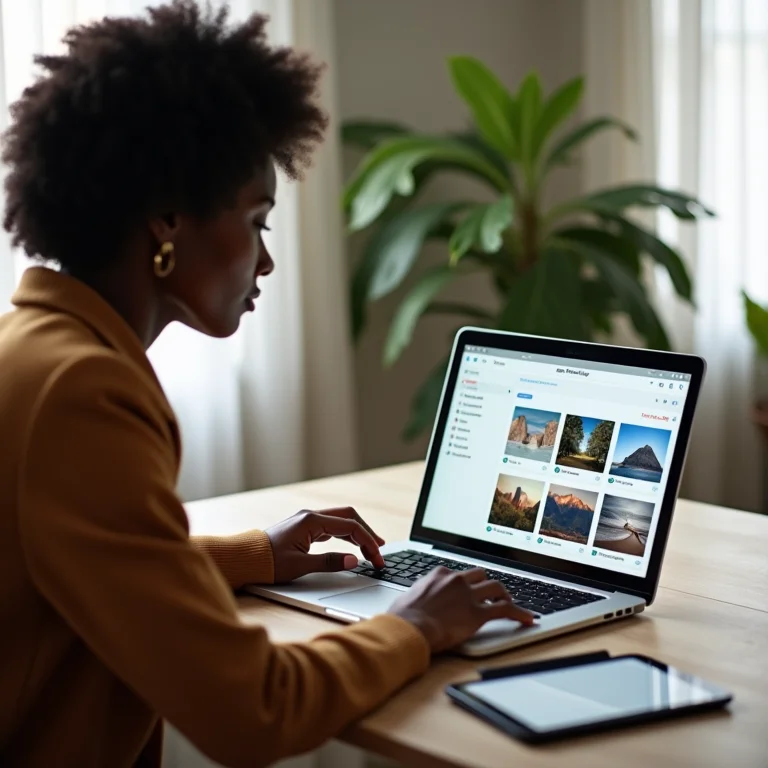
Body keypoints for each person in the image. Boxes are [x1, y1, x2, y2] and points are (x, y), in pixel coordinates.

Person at [0, 3, 534, 766]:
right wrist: (415, 625)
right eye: (257, 221)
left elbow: (87, 577)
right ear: (166, 221)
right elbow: (254, 710)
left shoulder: (33, 346)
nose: (267, 261)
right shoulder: (83, 393)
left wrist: (258, 555)